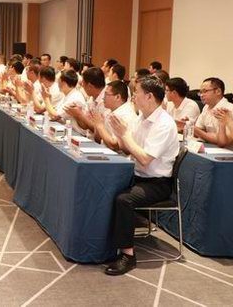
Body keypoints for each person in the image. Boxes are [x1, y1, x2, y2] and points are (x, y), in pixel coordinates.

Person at [105, 76, 179, 275]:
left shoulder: (164, 124)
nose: (133, 96)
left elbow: (145, 159)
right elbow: (126, 148)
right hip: (138, 174)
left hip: (157, 183)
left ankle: (128, 255)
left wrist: (125, 134)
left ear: (149, 96)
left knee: (124, 200)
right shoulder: (141, 117)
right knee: (105, 187)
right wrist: (119, 132)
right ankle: (106, 243)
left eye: (136, 92)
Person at [90, 80, 137, 151]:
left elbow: (114, 146)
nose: (103, 98)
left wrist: (100, 126)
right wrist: (97, 125)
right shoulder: (108, 111)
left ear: (117, 97)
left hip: (119, 156)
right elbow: (98, 139)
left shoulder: (125, 115)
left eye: (106, 94)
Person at [41, 69, 87, 135]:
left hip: (76, 134)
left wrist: (46, 98)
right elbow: (55, 113)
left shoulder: (75, 98)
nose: (57, 84)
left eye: (58, 81)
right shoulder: (68, 95)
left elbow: (54, 116)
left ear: (64, 83)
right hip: (67, 131)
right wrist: (48, 99)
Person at [194, 77, 233, 144]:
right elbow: (198, 130)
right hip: (210, 146)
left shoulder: (229, 109)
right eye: (200, 92)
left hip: (226, 149)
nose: (201, 95)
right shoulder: (206, 107)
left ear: (218, 91)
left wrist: (198, 131)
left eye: (205, 91)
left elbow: (222, 140)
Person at [66, 67, 106, 133]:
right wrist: (76, 114)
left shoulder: (106, 101)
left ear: (90, 86)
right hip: (88, 136)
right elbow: (85, 126)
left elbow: (99, 131)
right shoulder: (92, 98)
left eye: (83, 84)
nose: (82, 86)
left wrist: (80, 114)